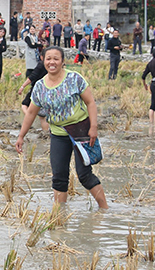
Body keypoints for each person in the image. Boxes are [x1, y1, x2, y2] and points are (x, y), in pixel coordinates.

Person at [16, 46, 109, 209]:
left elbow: (90, 103)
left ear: (62, 61)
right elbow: (31, 112)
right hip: (58, 134)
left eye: (56, 59)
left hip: (82, 131)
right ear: (43, 61)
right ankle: (60, 214)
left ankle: (104, 209)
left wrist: (93, 127)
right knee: (59, 176)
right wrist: (21, 136)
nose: (52, 62)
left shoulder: (74, 79)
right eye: (48, 58)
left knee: (84, 175)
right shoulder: (39, 86)